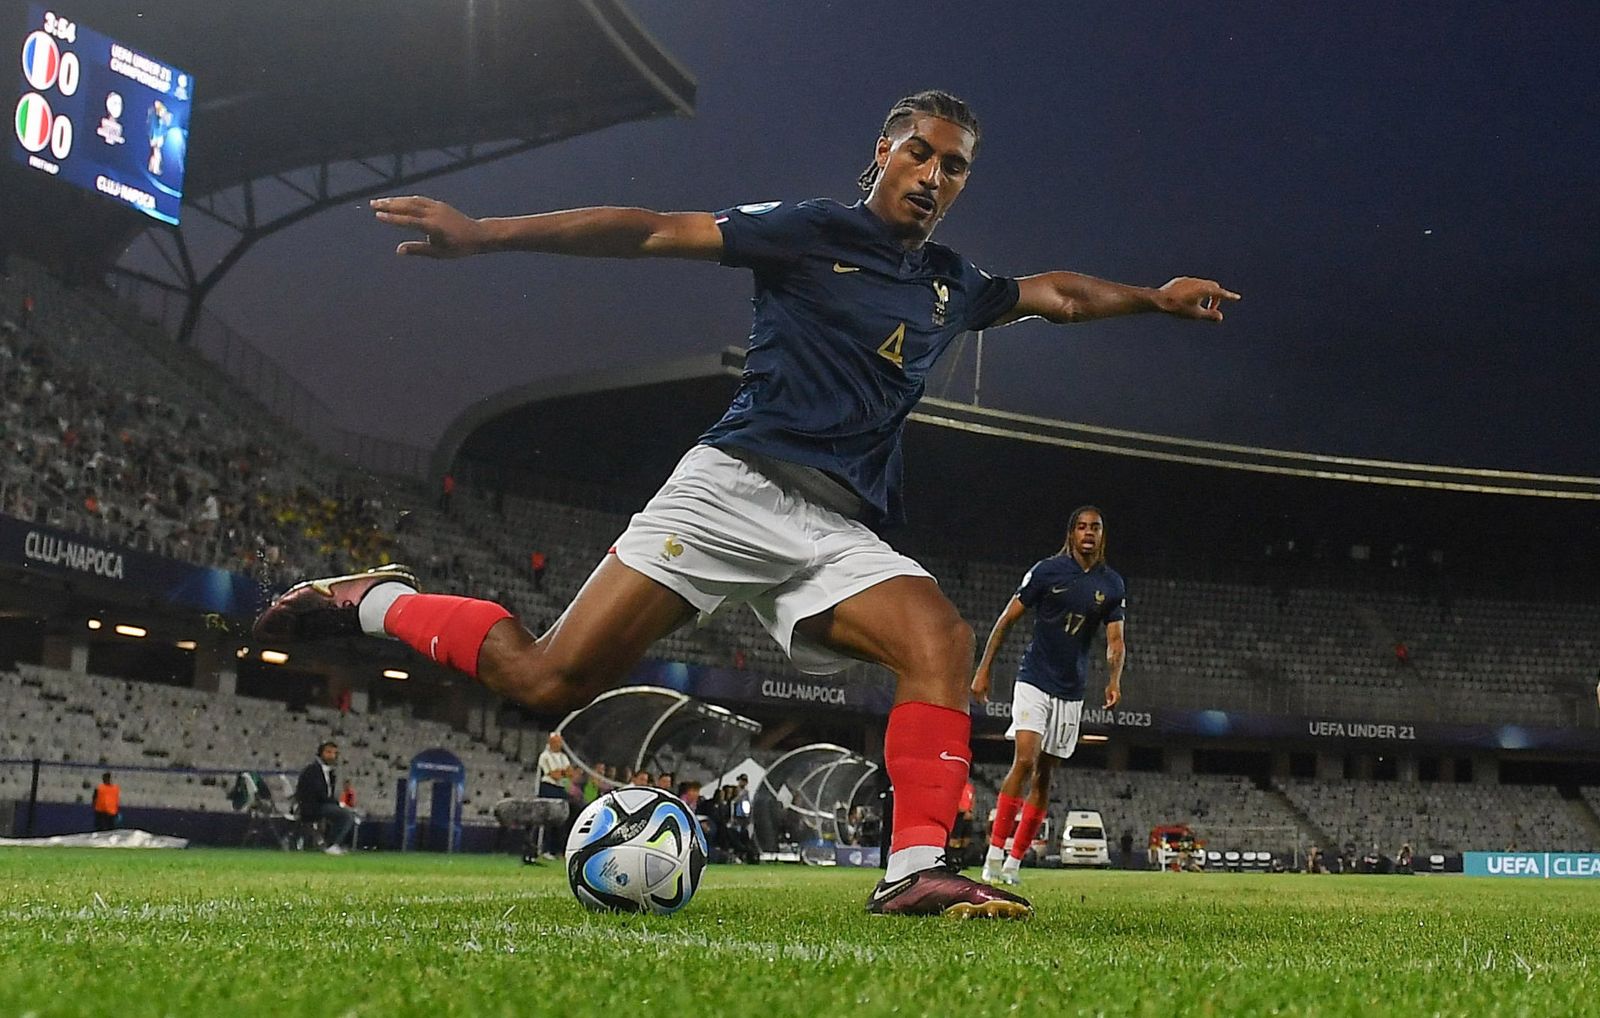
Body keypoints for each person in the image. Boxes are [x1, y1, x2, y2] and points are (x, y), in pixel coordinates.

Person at [254, 89, 1236, 919]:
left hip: (834, 527)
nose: (935, 175)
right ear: (883, 153)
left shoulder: (950, 284)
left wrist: (1152, 296)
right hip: (730, 490)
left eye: (957, 165)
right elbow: (649, 230)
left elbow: (1055, 294)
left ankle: (913, 870)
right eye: (921, 153)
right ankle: (375, 598)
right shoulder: (810, 231)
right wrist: (485, 233)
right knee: (549, 681)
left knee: (934, 635)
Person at [971, 506, 1126, 886]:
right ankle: (993, 855)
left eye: (1096, 527)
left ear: (1102, 535)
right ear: (1071, 533)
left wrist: (1114, 678)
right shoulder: (1046, 571)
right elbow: (1007, 619)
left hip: (1071, 691)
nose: (1089, 533)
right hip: (1034, 679)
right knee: (1024, 759)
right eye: (1082, 527)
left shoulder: (1112, 584)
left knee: (1045, 775)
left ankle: (1014, 864)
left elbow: (1116, 640)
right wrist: (984, 669)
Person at [295, 741, 355, 854]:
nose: (332, 755)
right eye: (328, 752)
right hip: (312, 806)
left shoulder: (330, 773)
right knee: (346, 815)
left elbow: (327, 794)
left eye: (334, 753)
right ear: (320, 753)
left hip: (321, 804)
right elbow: (318, 794)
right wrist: (336, 803)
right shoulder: (312, 770)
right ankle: (331, 845)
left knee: (345, 813)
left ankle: (332, 844)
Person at [535, 733, 574, 860]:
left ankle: (559, 849)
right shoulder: (544, 756)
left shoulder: (563, 756)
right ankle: (546, 849)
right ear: (551, 743)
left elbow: (570, 773)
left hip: (560, 788)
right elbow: (553, 774)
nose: (560, 745)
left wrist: (561, 772)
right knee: (548, 819)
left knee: (562, 820)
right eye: (557, 742)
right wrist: (563, 772)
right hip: (548, 788)